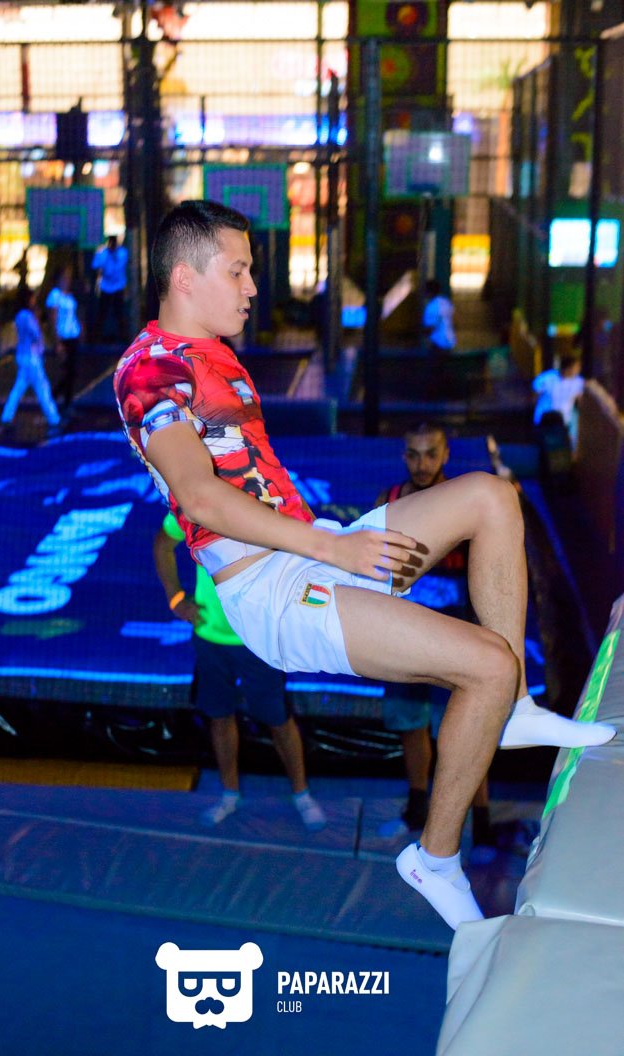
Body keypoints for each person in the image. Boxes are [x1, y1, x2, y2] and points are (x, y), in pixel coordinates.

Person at [113, 199, 615, 930]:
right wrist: (335, 548)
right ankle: (434, 858)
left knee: (491, 497)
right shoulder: (146, 371)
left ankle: (511, 714)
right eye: (239, 271)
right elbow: (198, 496)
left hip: (310, 549)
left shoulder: (212, 353)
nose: (253, 287)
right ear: (185, 277)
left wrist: (328, 542)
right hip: (273, 592)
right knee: (486, 664)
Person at [154, 511, 326, 831]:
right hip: (210, 636)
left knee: (277, 718)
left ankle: (301, 794)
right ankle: (229, 794)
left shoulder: (262, 502)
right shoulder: (193, 507)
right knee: (220, 717)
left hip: (257, 637)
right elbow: (163, 544)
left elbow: (304, 553)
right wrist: (176, 598)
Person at [375, 423, 492, 850]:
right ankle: (416, 808)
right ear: (403, 456)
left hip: (456, 637)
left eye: (430, 454)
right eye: (413, 454)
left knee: (465, 733)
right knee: (411, 725)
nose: (421, 464)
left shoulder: (466, 503)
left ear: (445, 455)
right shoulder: (388, 500)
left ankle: (482, 825)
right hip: (402, 635)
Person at [0, 288, 61, 436]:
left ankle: (6, 416)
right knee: (42, 388)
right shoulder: (27, 316)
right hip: (31, 358)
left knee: (19, 387)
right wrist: (37, 319)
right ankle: (54, 419)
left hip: (23, 356)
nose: (34, 301)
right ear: (28, 300)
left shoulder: (19, 315)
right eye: (32, 298)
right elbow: (35, 334)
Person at [46, 266, 81, 412]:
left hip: (73, 335)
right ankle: (58, 398)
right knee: (68, 370)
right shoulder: (55, 295)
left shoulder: (69, 295)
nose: (67, 280)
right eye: (64, 278)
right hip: (63, 336)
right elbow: (52, 319)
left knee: (72, 371)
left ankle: (65, 400)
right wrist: (57, 341)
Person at [533, 351, 584, 449]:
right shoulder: (547, 378)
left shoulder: (579, 382)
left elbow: (580, 400)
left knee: (562, 448)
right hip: (544, 420)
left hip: (564, 421)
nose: (578, 370)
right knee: (545, 447)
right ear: (568, 368)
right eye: (576, 367)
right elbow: (535, 394)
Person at [92, 234, 128, 343]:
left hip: (118, 287)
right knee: (102, 313)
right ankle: (97, 339)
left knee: (119, 314)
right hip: (106, 287)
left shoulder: (122, 253)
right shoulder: (102, 253)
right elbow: (95, 266)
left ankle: (123, 338)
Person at [422, 278, 456, 354]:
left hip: (438, 344)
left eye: (425, 290)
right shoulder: (446, 302)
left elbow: (430, 327)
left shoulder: (432, 306)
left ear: (430, 292)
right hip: (450, 342)